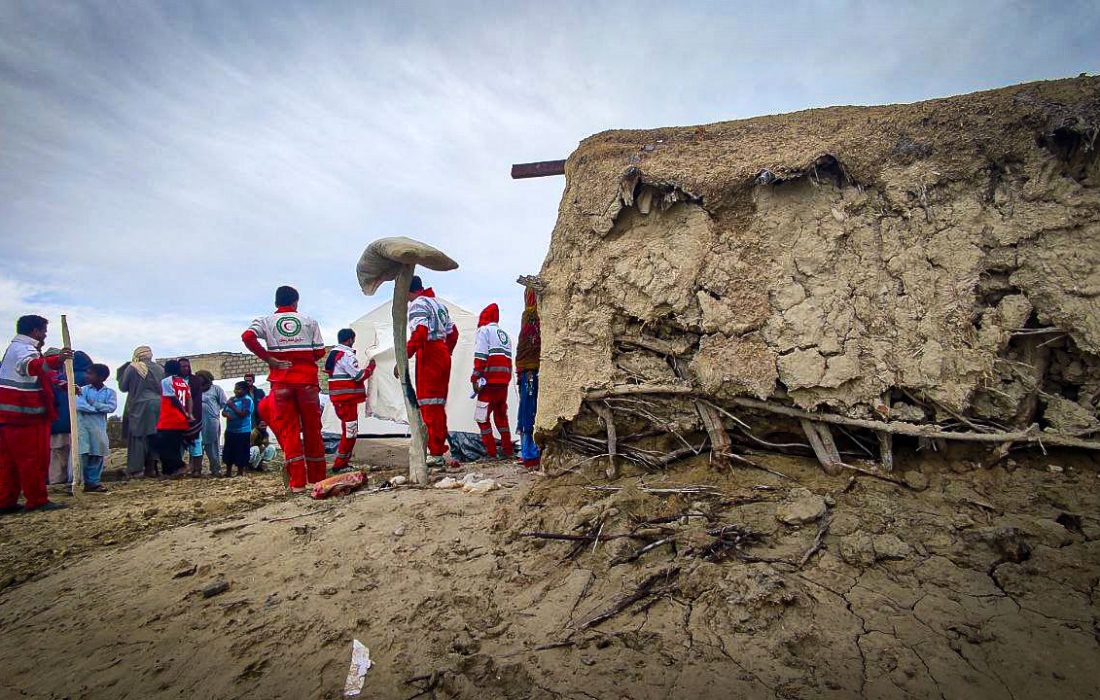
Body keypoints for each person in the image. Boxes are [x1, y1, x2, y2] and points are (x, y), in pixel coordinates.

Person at [242, 285, 326, 492]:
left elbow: (247, 337)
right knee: (312, 430)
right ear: (296, 302)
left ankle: (297, 482)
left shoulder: (265, 321)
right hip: (307, 383)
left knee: (289, 431)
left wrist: (269, 358)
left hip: (281, 384)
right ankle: (318, 480)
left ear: (275, 303)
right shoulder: (309, 321)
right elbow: (319, 352)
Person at [0, 315, 71, 513]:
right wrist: (59, 359)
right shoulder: (24, 349)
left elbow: (36, 377)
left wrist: (60, 384)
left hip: (10, 416)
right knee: (33, 459)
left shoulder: (14, 348)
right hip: (25, 416)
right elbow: (31, 367)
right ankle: (37, 500)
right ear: (35, 331)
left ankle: (6, 501)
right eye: (44, 331)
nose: (45, 335)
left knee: (9, 462)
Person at [406, 276, 459, 468]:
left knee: (428, 405)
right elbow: (454, 333)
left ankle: (435, 452)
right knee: (437, 405)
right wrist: (447, 352)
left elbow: (420, 332)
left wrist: (404, 357)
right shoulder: (439, 305)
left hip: (429, 353)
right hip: (442, 352)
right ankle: (438, 448)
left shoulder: (418, 304)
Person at [324, 328, 376, 473]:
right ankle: (340, 464)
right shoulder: (345, 355)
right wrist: (371, 368)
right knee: (351, 432)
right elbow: (358, 376)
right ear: (350, 339)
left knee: (348, 431)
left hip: (341, 400)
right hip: (347, 400)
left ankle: (343, 462)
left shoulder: (334, 353)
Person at [471, 303, 514, 460]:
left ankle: (491, 452)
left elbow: (481, 356)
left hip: (488, 383)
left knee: (481, 417)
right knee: (501, 416)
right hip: (503, 383)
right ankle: (507, 450)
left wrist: (475, 377)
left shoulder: (484, 331)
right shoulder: (505, 335)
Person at [117, 346, 164, 477]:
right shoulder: (160, 368)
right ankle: (152, 468)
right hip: (158, 404)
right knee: (154, 436)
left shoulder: (133, 367)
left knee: (138, 436)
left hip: (139, 405)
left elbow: (123, 386)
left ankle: (136, 469)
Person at [47, 349, 92, 485]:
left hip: (56, 423)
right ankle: (75, 481)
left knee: (57, 455)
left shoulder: (59, 379)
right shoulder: (88, 379)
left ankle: (55, 482)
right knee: (77, 455)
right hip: (78, 424)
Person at [76, 363, 116, 493]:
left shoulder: (110, 392)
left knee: (97, 455)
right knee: (83, 454)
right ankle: (78, 482)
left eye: (90, 373)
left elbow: (111, 407)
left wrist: (94, 404)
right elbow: (79, 405)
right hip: (83, 427)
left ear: (101, 377)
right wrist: (97, 408)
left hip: (99, 428)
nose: (87, 376)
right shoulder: (82, 390)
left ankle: (93, 483)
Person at [515, 286, 542, 469]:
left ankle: (529, 453)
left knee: (527, 411)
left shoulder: (531, 318)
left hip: (529, 373)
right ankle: (530, 452)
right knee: (530, 410)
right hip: (532, 372)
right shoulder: (535, 318)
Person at [155, 359, 192, 477]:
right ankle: (169, 472)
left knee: (163, 446)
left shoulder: (166, 381)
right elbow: (189, 398)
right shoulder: (183, 382)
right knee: (174, 446)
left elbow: (173, 399)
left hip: (169, 418)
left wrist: (184, 412)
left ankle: (180, 466)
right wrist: (188, 414)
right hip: (180, 420)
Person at [178, 358, 205, 477]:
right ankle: (179, 468)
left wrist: (191, 414)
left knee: (196, 443)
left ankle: (197, 469)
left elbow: (196, 399)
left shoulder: (195, 380)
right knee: (178, 444)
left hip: (194, 416)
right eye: (183, 366)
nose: (185, 368)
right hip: (178, 417)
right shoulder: (175, 380)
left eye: (187, 366)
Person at [196, 370, 227, 477]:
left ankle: (215, 469)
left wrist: (214, 410)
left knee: (213, 446)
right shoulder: (195, 390)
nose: (199, 379)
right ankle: (196, 469)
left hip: (211, 421)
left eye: (201, 377)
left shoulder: (216, 389)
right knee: (197, 446)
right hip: (198, 421)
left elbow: (224, 403)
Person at [221, 381, 254, 477]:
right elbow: (224, 412)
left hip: (243, 431)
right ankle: (228, 471)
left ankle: (240, 472)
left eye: (239, 389)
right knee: (229, 451)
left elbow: (243, 414)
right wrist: (227, 414)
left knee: (241, 451)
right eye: (235, 389)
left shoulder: (247, 400)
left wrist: (233, 406)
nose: (236, 391)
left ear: (245, 390)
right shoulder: (232, 399)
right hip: (230, 430)